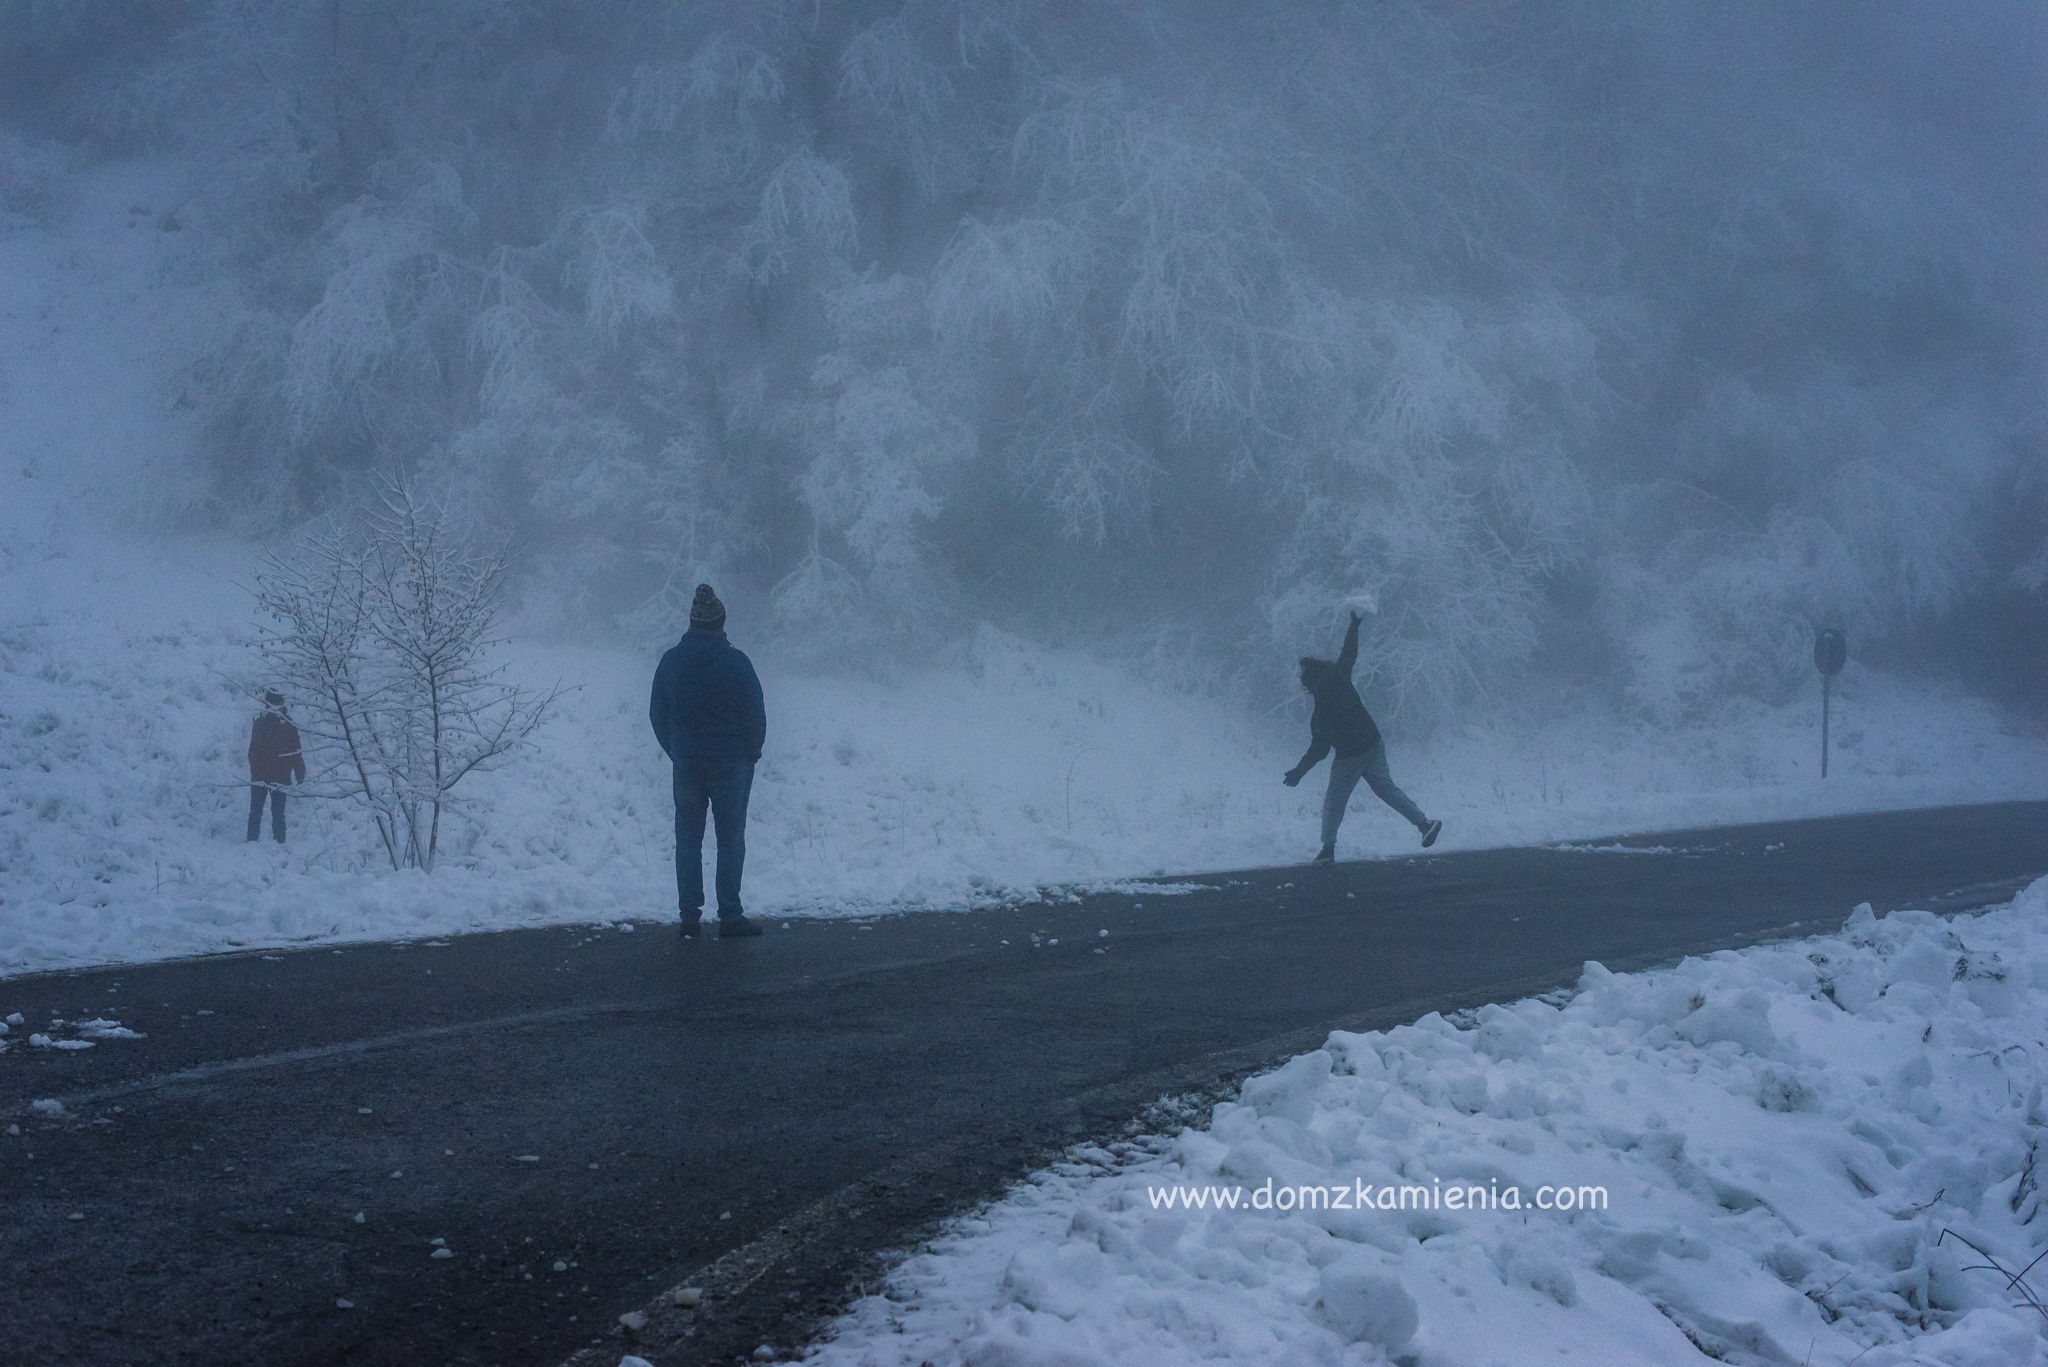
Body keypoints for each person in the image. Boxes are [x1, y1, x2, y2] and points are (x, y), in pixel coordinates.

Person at [650, 584, 767, 939]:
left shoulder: (671, 661)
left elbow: (657, 713)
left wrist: (676, 749)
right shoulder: (736, 662)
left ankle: (689, 917)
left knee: (688, 839)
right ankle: (730, 916)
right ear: (721, 623)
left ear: (691, 622)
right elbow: (755, 715)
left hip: (686, 761)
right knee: (730, 839)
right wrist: (751, 752)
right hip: (731, 763)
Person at [1283, 611, 1441, 863]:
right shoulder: (1339, 675)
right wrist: (1354, 624)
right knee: (1386, 789)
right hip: (1373, 742)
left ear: (1311, 686)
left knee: (1334, 799)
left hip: (1350, 757)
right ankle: (1424, 824)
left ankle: (1328, 849)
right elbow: (1349, 652)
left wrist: (1299, 772)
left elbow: (1319, 749)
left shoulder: (1321, 711)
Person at [247, 690, 305, 843]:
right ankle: (255, 842)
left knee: (275, 813)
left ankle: (277, 844)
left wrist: (300, 771)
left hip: (277, 777)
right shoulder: (262, 724)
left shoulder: (287, 725)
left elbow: (295, 752)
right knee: (257, 812)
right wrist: (255, 770)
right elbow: (253, 751)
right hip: (268, 776)